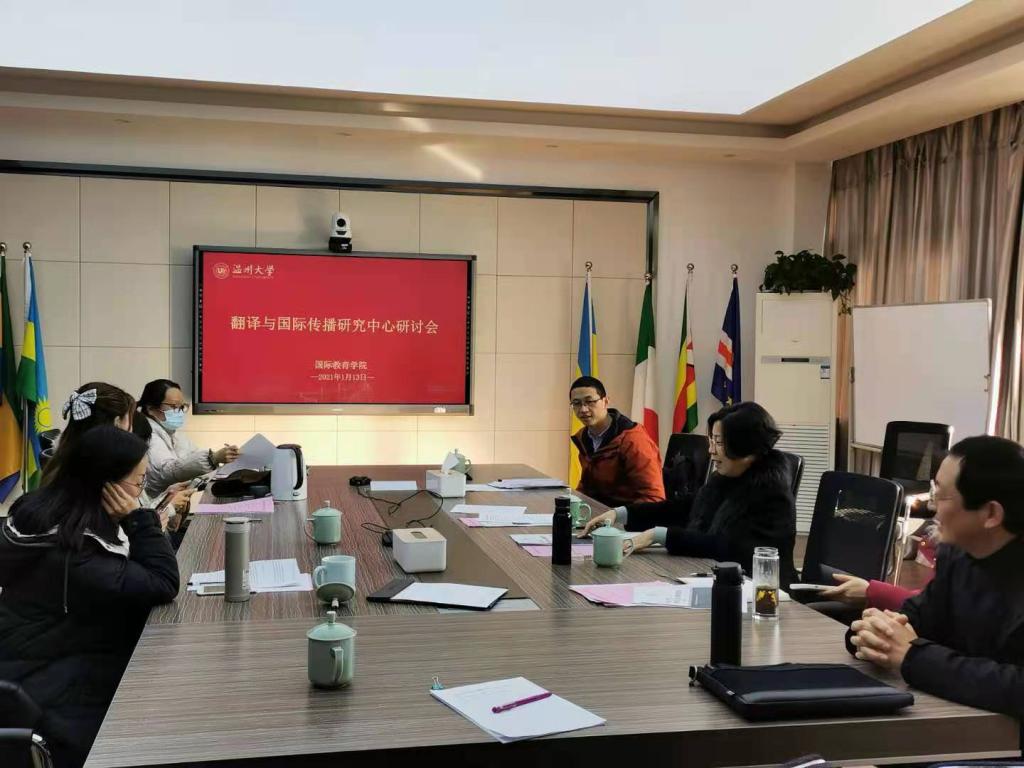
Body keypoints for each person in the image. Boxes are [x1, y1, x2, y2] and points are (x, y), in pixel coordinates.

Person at [0, 426, 180, 767]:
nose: (141, 491)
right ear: (107, 486)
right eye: (138, 482)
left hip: (44, 662)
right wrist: (140, 519)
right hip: (51, 691)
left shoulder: (50, 513)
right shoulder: (75, 551)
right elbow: (162, 582)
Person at [847, 436, 1024, 720]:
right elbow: (920, 617)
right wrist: (875, 632)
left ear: (991, 513)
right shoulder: (958, 554)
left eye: (941, 496)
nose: (931, 507)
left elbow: (1015, 687)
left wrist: (911, 658)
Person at [581, 401, 798, 585]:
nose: (711, 450)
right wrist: (620, 513)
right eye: (712, 441)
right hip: (718, 581)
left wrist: (660, 536)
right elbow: (684, 508)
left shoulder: (770, 493)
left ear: (745, 446)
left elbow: (727, 547)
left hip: (761, 596)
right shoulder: (729, 478)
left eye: (719, 443)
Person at [43, 383, 195, 532]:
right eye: (140, 481)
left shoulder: (69, 463)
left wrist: (163, 501)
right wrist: (161, 515)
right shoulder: (104, 476)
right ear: (117, 425)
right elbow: (129, 529)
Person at [569, 376, 665, 507]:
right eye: (576, 403)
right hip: (599, 511)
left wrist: (618, 515)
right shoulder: (584, 437)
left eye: (590, 402)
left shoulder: (633, 440)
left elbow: (654, 498)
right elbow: (587, 486)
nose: (583, 409)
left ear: (606, 401)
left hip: (628, 515)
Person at [137, 379, 239, 496]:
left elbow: (192, 455)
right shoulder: (147, 434)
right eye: (174, 406)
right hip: (157, 501)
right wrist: (212, 459)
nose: (179, 412)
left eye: (182, 407)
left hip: (173, 498)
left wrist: (218, 456)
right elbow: (164, 472)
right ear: (151, 409)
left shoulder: (172, 433)